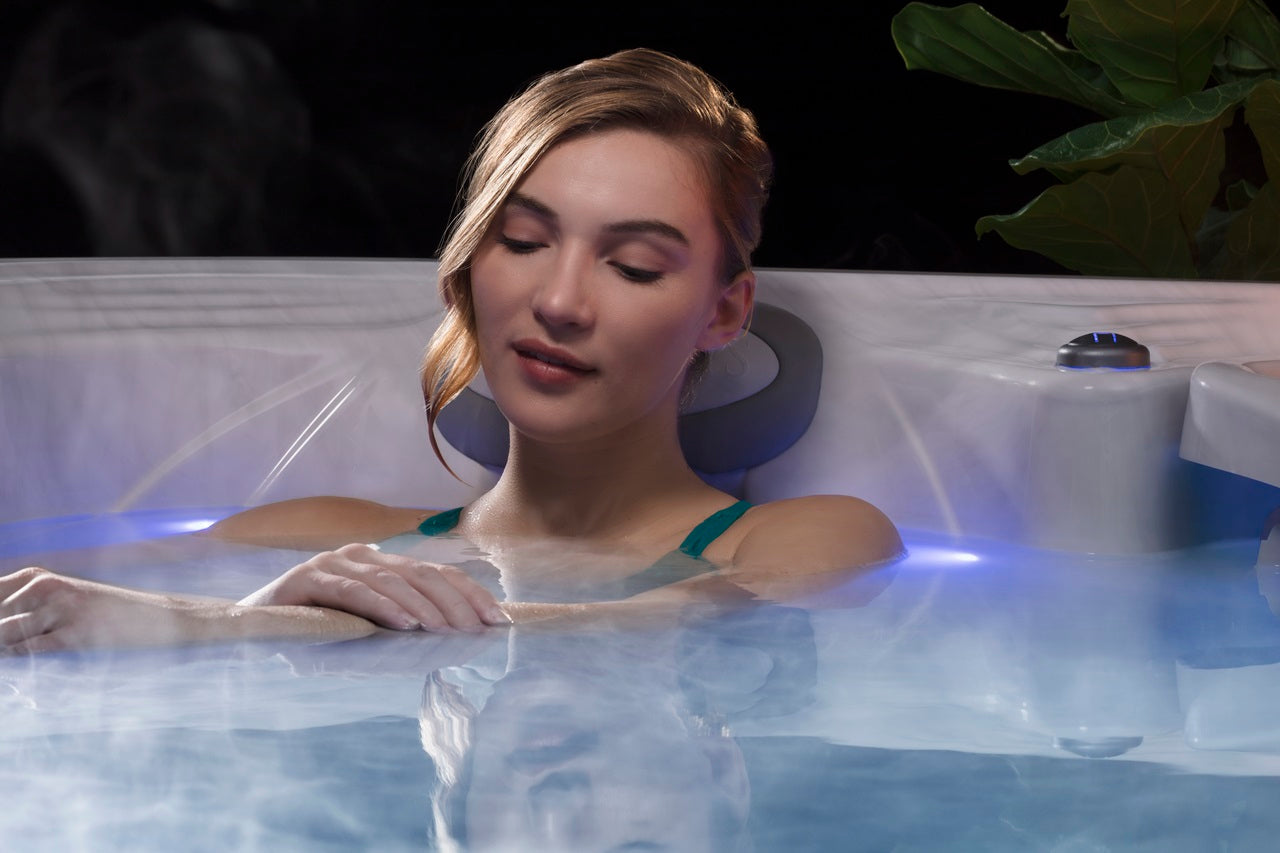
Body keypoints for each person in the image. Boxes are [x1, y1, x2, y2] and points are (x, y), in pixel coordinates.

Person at [0, 48, 902, 655]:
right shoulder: (322, 535)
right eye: (520, 242)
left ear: (724, 311)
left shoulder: (804, 536)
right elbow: (52, 598)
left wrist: (220, 625)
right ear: (469, 266)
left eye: (632, 265)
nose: (558, 300)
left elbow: (655, 627)